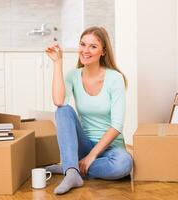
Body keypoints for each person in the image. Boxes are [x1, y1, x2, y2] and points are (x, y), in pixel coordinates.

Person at [45, 26, 133, 195]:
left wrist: (92, 156)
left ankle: (70, 167)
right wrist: (57, 63)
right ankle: (73, 172)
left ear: (103, 51)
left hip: (110, 148)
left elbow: (117, 126)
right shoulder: (73, 75)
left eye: (93, 46)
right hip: (83, 144)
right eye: (83, 44)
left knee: (124, 164)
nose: (86, 50)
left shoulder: (115, 78)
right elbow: (58, 101)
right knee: (63, 110)